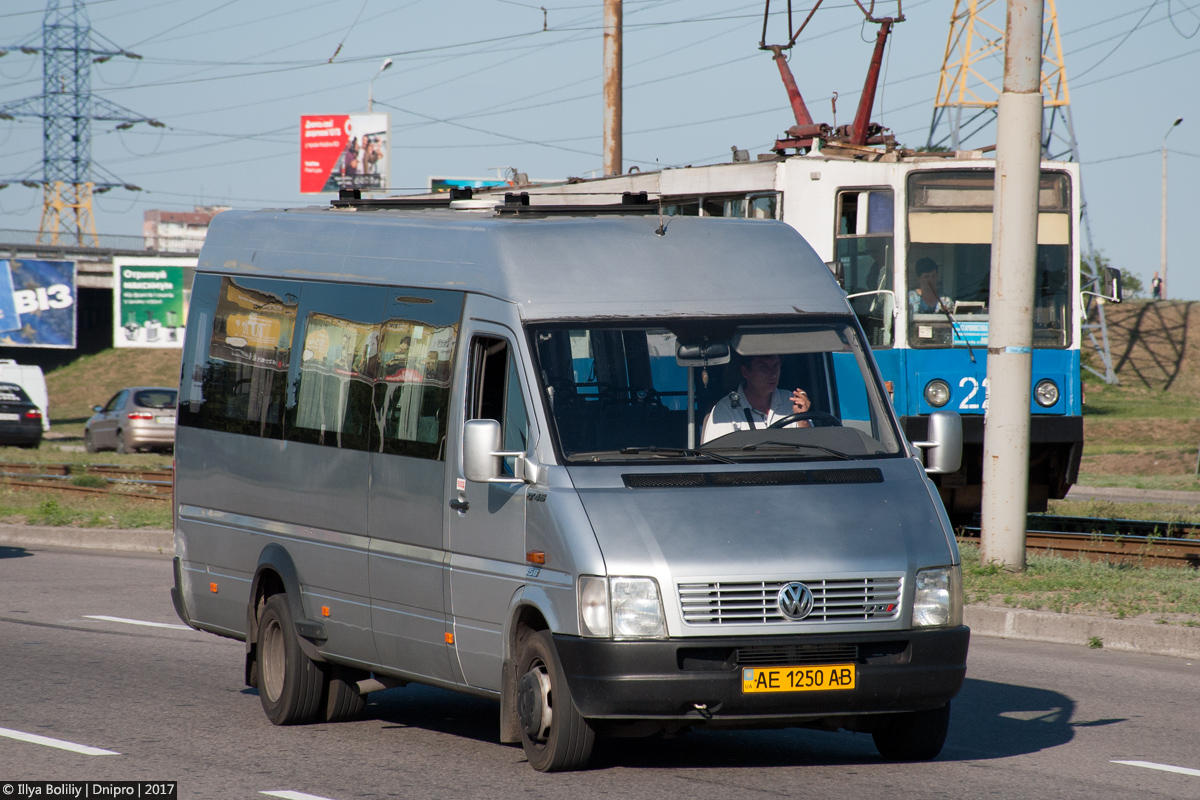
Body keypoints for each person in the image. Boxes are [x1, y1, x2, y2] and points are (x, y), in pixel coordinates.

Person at [701, 354, 811, 443]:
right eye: (763, 367)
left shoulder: (791, 401)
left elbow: (814, 450)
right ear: (745, 372)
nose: (772, 374)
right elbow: (717, 462)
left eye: (776, 366)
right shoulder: (725, 410)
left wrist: (802, 418)